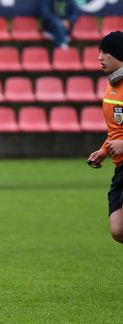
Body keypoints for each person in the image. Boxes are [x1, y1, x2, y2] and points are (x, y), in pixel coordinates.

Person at [87, 31, 123, 243]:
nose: (99, 57)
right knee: (118, 229)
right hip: (120, 166)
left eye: (105, 52)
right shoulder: (112, 83)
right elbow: (117, 129)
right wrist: (104, 149)